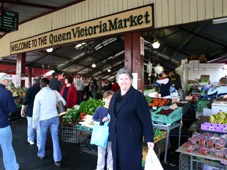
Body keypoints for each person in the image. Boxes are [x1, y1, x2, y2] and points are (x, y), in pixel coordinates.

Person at [108, 68, 154, 170]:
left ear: (131, 80)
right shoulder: (115, 95)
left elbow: (146, 119)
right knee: (118, 164)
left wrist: (149, 138)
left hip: (131, 139)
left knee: (130, 164)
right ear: (117, 81)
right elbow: (113, 114)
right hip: (116, 138)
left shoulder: (137, 96)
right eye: (121, 79)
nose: (123, 81)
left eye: (126, 79)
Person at [32, 78, 66, 167]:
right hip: (55, 118)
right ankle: (57, 159)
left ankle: (41, 154)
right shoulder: (54, 92)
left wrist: (34, 124)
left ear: (40, 85)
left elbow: (35, 111)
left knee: (42, 137)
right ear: (48, 84)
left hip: (43, 119)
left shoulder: (38, 95)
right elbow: (64, 102)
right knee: (55, 138)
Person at [0, 73, 19, 170]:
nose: (8, 81)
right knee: (7, 147)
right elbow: (13, 109)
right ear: (2, 80)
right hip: (3, 125)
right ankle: (11, 168)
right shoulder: (7, 93)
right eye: (7, 79)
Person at [93, 90, 114, 170]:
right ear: (103, 99)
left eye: (111, 99)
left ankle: (110, 167)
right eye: (107, 99)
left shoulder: (115, 110)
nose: (109, 101)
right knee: (101, 153)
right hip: (101, 135)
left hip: (111, 135)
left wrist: (111, 121)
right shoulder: (99, 109)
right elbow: (94, 120)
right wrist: (101, 120)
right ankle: (100, 168)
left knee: (111, 153)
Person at [21, 77, 41, 146]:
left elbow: (25, 100)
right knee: (39, 127)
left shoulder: (30, 89)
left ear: (33, 82)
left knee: (30, 126)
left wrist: (22, 110)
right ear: (40, 82)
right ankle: (39, 142)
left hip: (30, 111)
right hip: (40, 111)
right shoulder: (42, 89)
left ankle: (31, 140)